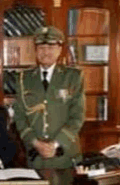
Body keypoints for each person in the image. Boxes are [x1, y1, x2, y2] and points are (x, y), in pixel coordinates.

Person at [13, 26, 85, 171]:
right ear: (36, 50)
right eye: (41, 47)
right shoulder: (23, 78)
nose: (46, 52)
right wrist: (35, 143)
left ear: (59, 50)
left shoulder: (73, 77)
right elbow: (20, 117)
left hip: (64, 154)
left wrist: (56, 144)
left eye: (51, 47)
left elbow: (77, 116)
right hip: (35, 156)